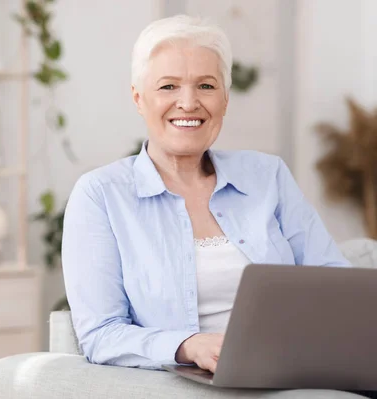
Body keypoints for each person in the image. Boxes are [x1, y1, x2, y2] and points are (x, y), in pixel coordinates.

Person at [61, 14, 351, 376]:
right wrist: (187, 345)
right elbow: (100, 335)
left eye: (206, 86)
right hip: (198, 382)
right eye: (168, 86)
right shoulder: (100, 195)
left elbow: (336, 284)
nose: (188, 102)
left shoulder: (267, 176)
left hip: (299, 368)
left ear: (225, 99)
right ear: (138, 98)